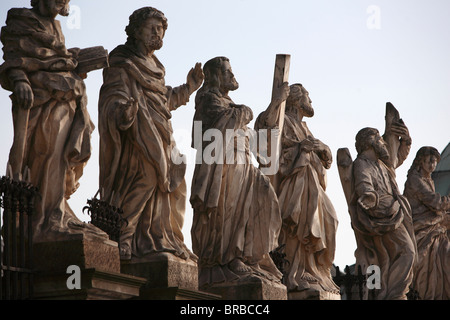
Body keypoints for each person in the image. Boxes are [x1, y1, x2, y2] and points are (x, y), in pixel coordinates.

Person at [98, 7, 204, 261]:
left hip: (160, 131)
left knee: (174, 176)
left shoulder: (156, 66)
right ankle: (123, 236)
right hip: (136, 133)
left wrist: (189, 87)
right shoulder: (122, 59)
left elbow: (162, 100)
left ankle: (162, 236)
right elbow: (112, 96)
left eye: (162, 29)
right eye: (152, 28)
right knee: (146, 178)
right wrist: (123, 111)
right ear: (135, 30)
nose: (158, 33)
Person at [0, 0, 102, 241]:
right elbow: (14, 57)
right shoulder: (21, 19)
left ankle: (57, 210)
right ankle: (41, 219)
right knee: (46, 152)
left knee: (63, 156)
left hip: (66, 99)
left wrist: (75, 67)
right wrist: (21, 80)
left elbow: (56, 63)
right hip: (38, 100)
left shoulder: (56, 27)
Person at [190, 56, 283, 288]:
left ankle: (245, 254)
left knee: (254, 204)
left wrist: (275, 105)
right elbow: (221, 126)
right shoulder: (208, 98)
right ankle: (226, 257)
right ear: (215, 76)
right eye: (227, 72)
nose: (232, 75)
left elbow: (253, 138)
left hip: (242, 161)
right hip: (223, 163)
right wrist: (245, 112)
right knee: (226, 209)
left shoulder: (226, 102)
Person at [255, 84, 340, 295]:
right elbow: (264, 133)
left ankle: (314, 267)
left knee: (330, 219)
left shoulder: (305, 127)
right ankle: (296, 268)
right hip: (294, 181)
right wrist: (276, 101)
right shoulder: (282, 120)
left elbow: (327, 159)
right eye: (308, 96)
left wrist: (322, 148)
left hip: (312, 183)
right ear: (295, 100)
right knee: (300, 221)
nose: (311, 101)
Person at [350, 126, 416, 299]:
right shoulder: (362, 163)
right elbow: (364, 184)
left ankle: (385, 291)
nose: (383, 143)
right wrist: (369, 196)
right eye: (379, 139)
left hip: (393, 211)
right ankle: (395, 294)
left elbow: (397, 158)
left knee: (388, 258)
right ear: (370, 142)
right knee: (407, 252)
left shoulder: (382, 164)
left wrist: (406, 141)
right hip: (382, 213)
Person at [404, 146, 450, 299]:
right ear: (420, 162)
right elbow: (435, 202)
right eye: (429, 161)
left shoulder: (428, 179)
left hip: (430, 223)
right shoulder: (415, 180)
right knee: (437, 254)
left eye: (435, 161)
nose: (432, 165)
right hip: (420, 225)